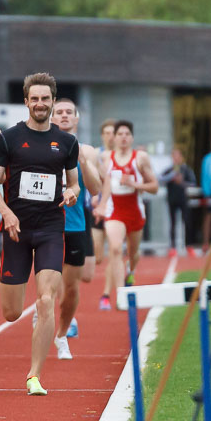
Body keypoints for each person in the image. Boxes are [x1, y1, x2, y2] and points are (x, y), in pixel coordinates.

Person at [0, 73, 79, 396]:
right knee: (11, 312)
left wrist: (72, 192)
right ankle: (33, 319)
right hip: (16, 231)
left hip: (51, 228)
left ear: (53, 101)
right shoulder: (9, 139)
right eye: (34, 99)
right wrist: (7, 213)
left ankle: (34, 376)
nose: (40, 104)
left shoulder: (66, 143)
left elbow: (74, 181)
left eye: (46, 98)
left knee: (46, 300)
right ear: (26, 101)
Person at [49, 95, 102, 359]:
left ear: (77, 119)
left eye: (69, 112)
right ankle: (50, 322)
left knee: (72, 286)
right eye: (59, 112)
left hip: (75, 225)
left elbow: (95, 189)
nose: (64, 116)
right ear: (51, 117)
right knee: (47, 281)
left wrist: (83, 161)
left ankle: (64, 328)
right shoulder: (42, 146)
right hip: (45, 224)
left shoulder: (88, 150)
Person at [95, 121, 159, 311]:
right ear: (114, 137)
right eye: (120, 134)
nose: (123, 137)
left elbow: (154, 186)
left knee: (133, 253)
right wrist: (100, 203)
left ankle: (131, 270)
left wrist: (135, 185)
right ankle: (121, 294)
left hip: (135, 210)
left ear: (131, 138)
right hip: (115, 211)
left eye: (127, 134)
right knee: (115, 249)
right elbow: (102, 183)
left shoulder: (140, 158)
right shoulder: (106, 158)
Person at [91, 119, 114, 310]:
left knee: (114, 251)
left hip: (117, 208)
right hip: (99, 208)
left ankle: (106, 294)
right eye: (107, 132)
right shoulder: (96, 154)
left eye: (113, 132)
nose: (110, 136)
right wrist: (94, 198)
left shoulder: (124, 156)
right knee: (97, 256)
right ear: (102, 135)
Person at [160, 147, 196, 256]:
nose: (175, 158)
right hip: (172, 199)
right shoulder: (169, 170)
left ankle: (188, 246)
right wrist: (171, 178)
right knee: (172, 223)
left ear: (181, 157)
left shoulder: (186, 169)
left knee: (187, 222)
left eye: (177, 155)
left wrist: (182, 182)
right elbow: (160, 180)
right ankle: (173, 247)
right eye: (173, 156)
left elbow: (193, 183)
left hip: (183, 199)